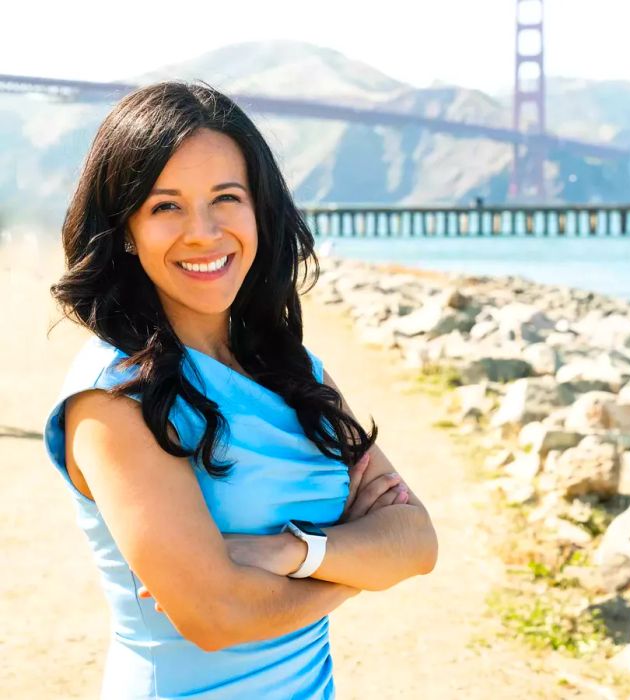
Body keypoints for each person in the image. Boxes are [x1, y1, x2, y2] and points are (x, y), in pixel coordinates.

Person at [43, 80, 438, 700]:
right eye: (165, 206)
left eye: (226, 198)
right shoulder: (115, 398)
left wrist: (286, 553)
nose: (203, 232)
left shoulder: (294, 369)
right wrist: (359, 565)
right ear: (125, 229)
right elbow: (216, 617)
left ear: (260, 211)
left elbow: (417, 540)